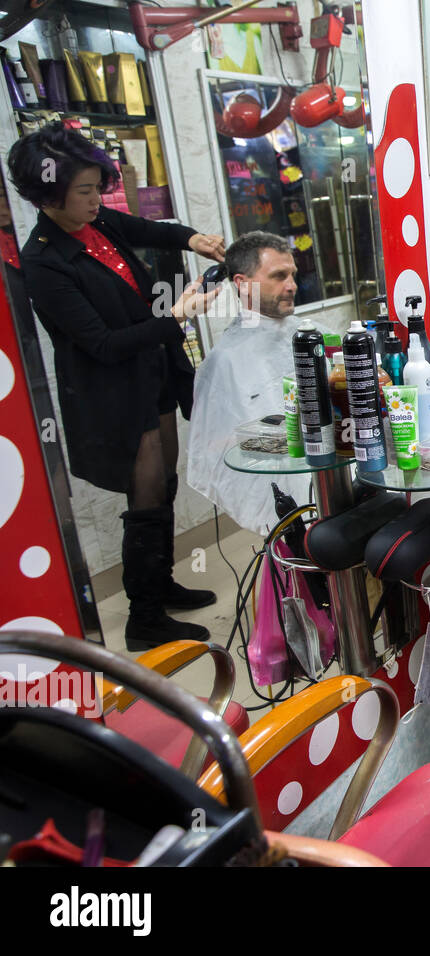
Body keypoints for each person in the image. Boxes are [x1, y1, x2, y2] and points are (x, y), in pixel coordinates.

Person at [9, 123, 225, 651]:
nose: (95, 199)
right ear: (48, 195)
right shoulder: (42, 261)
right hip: (111, 393)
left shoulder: (96, 220)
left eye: (96, 187)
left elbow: (146, 229)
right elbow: (103, 344)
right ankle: (143, 616)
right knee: (145, 496)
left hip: (150, 374)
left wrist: (190, 237)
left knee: (165, 484)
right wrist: (178, 315)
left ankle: (161, 582)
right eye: (84, 191)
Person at [187, 231, 311, 533]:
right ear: (242, 284)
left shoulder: (312, 334)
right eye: (279, 276)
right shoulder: (225, 360)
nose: (292, 286)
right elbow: (213, 450)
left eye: (292, 275)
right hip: (286, 497)